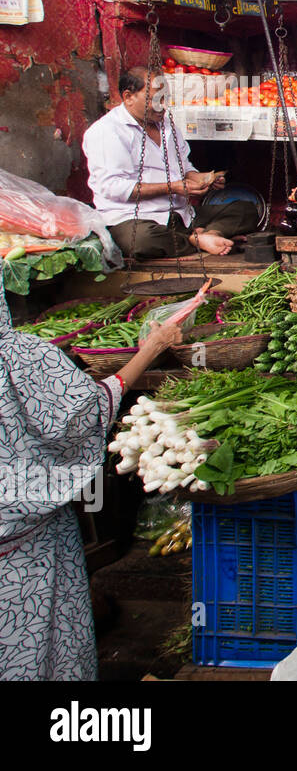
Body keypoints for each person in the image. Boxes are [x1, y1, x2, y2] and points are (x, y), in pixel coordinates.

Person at [0, 290, 181, 680]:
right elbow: (83, 414)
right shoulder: (18, 355)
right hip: (27, 550)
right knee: (41, 645)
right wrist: (151, 349)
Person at [83, 66, 260, 260]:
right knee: (141, 241)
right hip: (134, 219)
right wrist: (172, 187)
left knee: (246, 209)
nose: (163, 106)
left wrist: (201, 178)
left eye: (166, 98)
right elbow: (113, 187)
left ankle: (211, 234)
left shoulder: (167, 125)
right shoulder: (106, 132)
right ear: (128, 97)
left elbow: (184, 166)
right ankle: (194, 240)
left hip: (180, 216)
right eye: (156, 99)